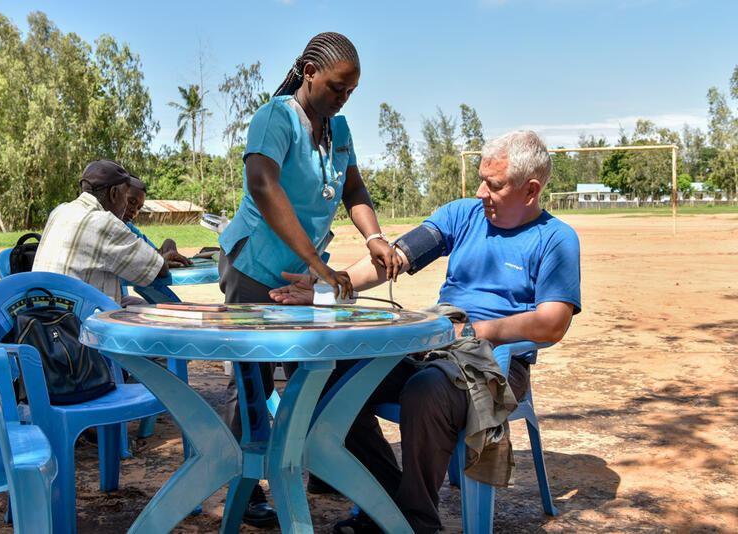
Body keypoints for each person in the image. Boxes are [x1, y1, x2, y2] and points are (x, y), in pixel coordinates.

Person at [270, 130, 582, 534]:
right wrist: (332, 283)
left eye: (496, 185)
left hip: (496, 364)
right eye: (483, 180)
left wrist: (471, 331)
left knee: (424, 392)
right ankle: (389, 502)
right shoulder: (462, 215)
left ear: (531, 189)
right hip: (431, 347)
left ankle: (415, 522)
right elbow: (393, 259)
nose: (483, 192)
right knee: (320, 372)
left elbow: (552, 323)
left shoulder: (556, 239)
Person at [217, 32, 400, 527]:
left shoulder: (338, 130)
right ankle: (244, 485)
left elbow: (354, 188)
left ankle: (321, 463)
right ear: (308, 72)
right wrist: (320, 267)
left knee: (316, 369)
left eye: (351, 91)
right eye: (338, 87)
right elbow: (262, 183)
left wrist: (375, 237)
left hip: (302, 278)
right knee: (250, 378)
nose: (343, 99)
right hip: (255, 269)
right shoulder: (277, 117)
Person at [33, 159, 185, 306]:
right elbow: (158, 270)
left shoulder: (59, 211)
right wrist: (164, 259)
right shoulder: (105, 223)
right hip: (80, 318)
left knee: (137, 304)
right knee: (156, 313)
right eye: (126, 198)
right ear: (113, 194)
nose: (127, 206)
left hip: (45, 310)